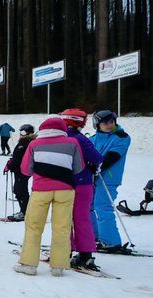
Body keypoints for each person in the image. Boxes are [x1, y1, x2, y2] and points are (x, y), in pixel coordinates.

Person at [15, 117, 84, 277]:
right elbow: (78, 168)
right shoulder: (73, 143)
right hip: (65, 190)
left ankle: (29, 264)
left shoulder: (34, 144)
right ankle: (58, 266)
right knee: (62, 227)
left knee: (34, 226)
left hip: (41, 190)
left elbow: (26, 170)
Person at [59, 108, 104, 271]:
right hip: (83, 183)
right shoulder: (80, 139)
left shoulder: (58, 138)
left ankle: (65, 251)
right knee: (81, 218)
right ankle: (85, 255)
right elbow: (97, 158)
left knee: (63, 218)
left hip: (62, 184)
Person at [90, 110, 131, 253]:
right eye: (105, 123)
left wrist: (97, 165)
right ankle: (93, 237)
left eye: (111, 122)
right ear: (97, 125)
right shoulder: (93, 139)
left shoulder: (121, 137)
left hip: (108, 179)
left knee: (102, 207)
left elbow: (112, 157)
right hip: (92, 178)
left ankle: (111, 242)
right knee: (89, 207)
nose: (109, 125)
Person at [4, 123, 35, 220]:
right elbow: (17, 157)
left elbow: (18, 158)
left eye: (23, 132)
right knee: (20, 190)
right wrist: (11, 162)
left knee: (20, 190)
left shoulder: (25, 143)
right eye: (20, 132)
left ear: (28, 133)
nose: (21, 134)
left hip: (22, 170)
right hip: (23, 170)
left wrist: (9, 165)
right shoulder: (26, 142)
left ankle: (25, 213)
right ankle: (26, 211)